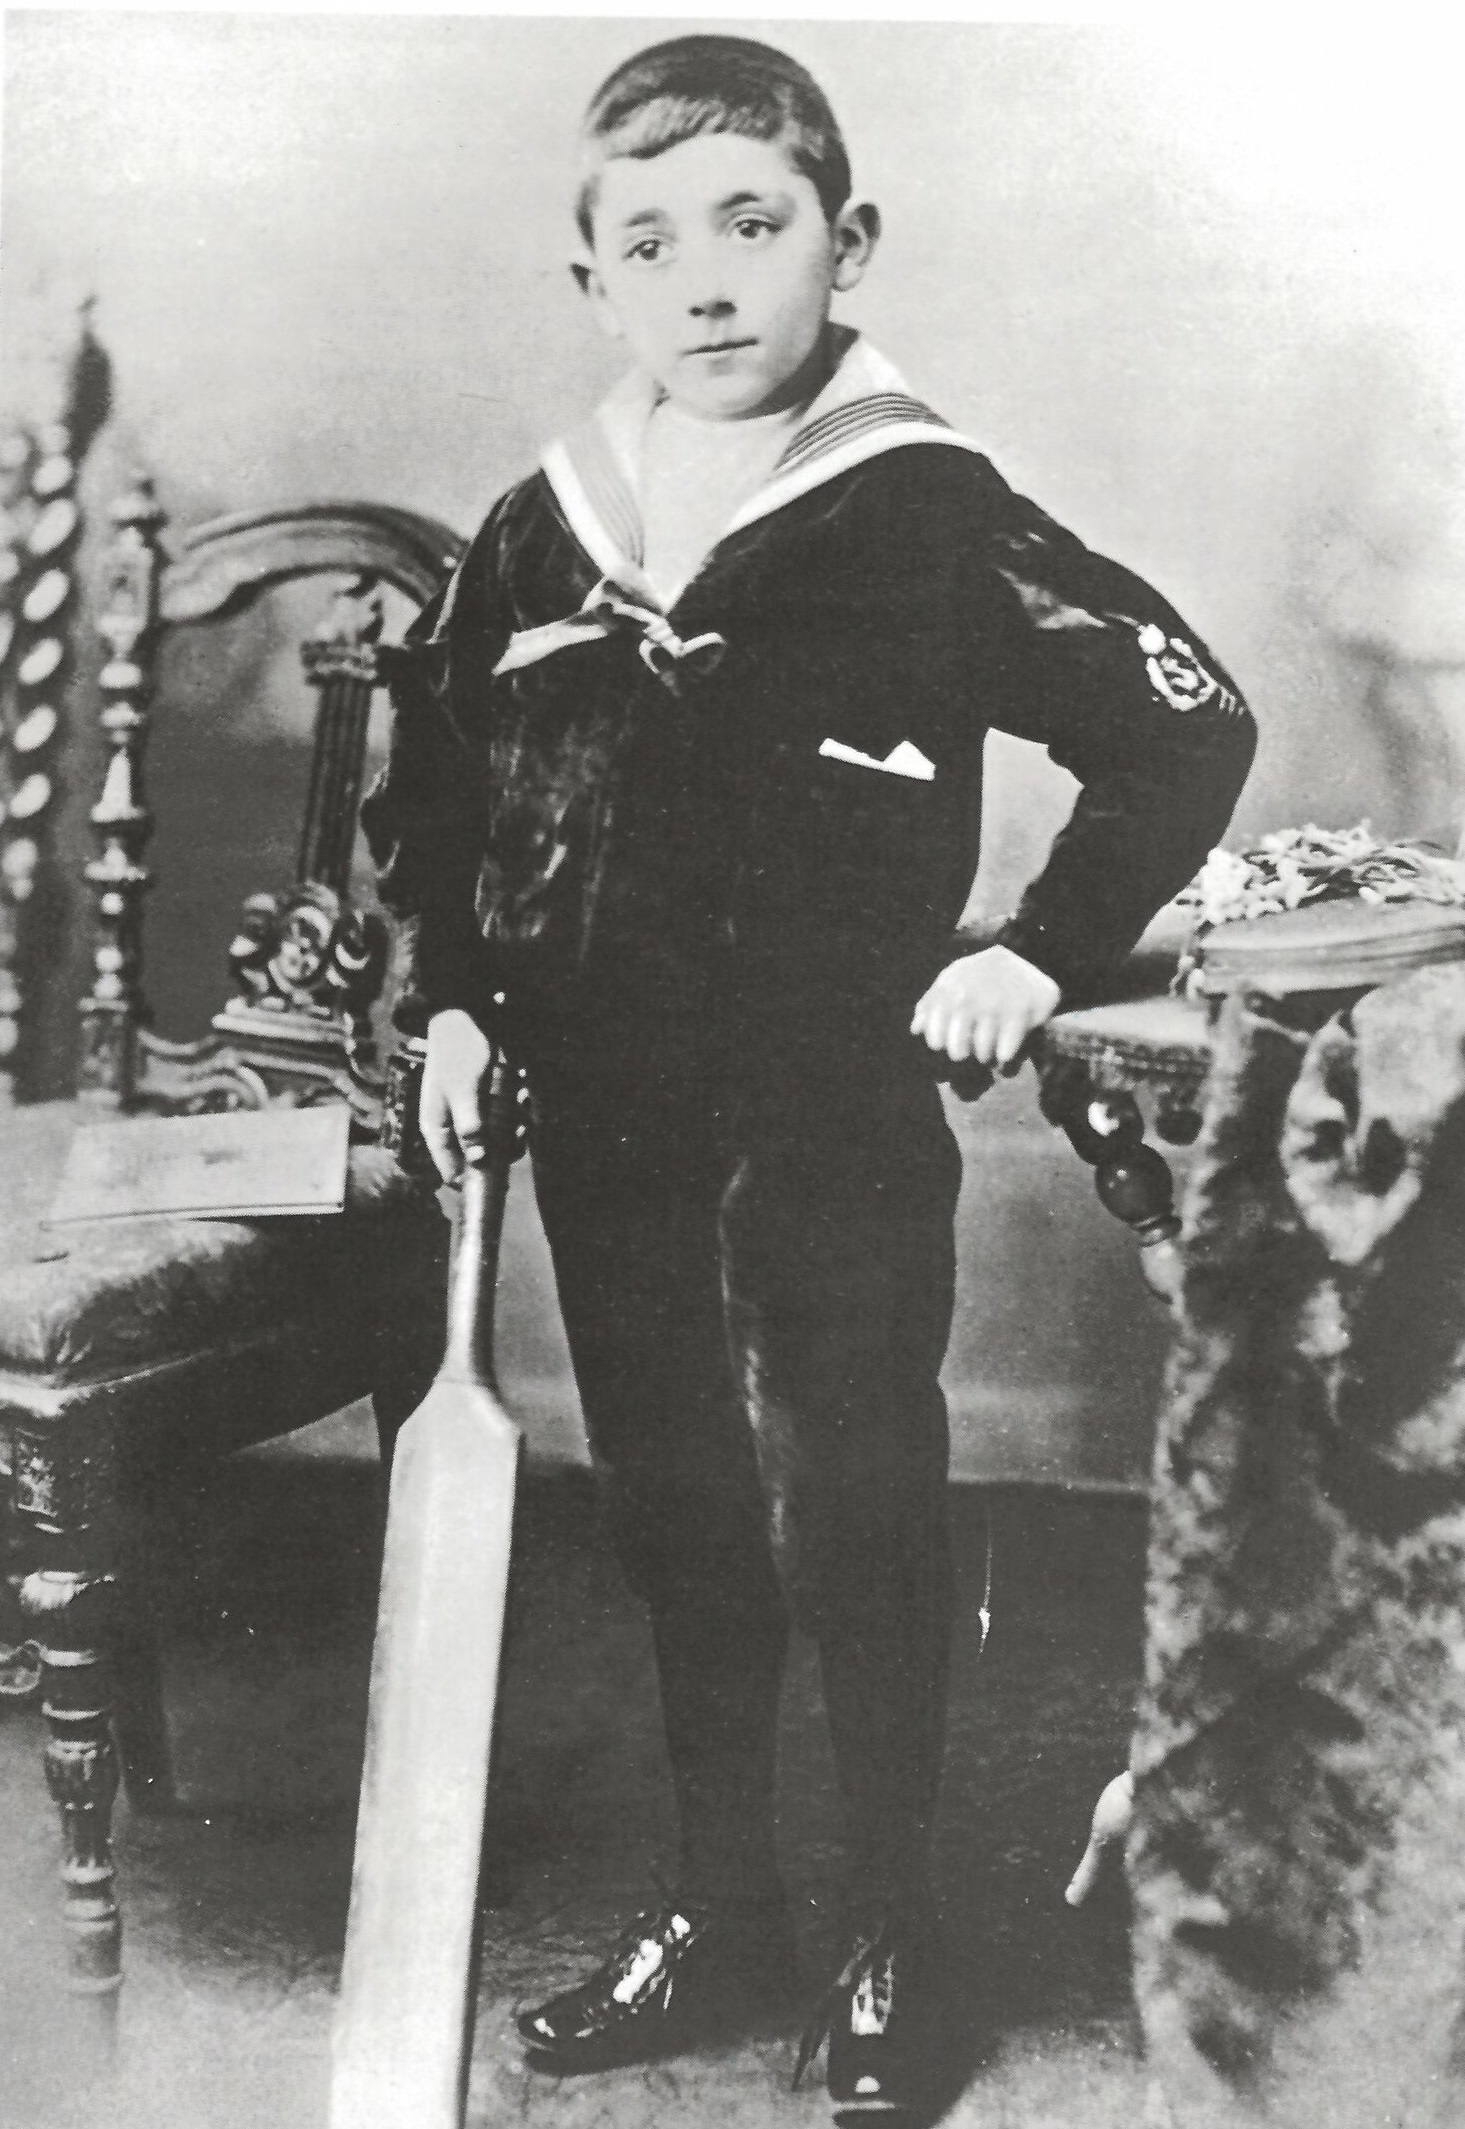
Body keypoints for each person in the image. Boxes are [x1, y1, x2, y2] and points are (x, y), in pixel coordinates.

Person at [362, 33, 1256, 2118]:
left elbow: (1179, 722)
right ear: (591, 281)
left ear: (841, 247)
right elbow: (439, 796)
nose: (704, 282)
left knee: (844, 1501)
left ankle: (892, 1931)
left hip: (824, 1104)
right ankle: (723, 1906)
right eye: (649, 241)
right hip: (597, 1102)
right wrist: (462, 1000)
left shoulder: (918, 508)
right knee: (675, 1511)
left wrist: (1033, 949)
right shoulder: (540, 530)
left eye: (751, 226)